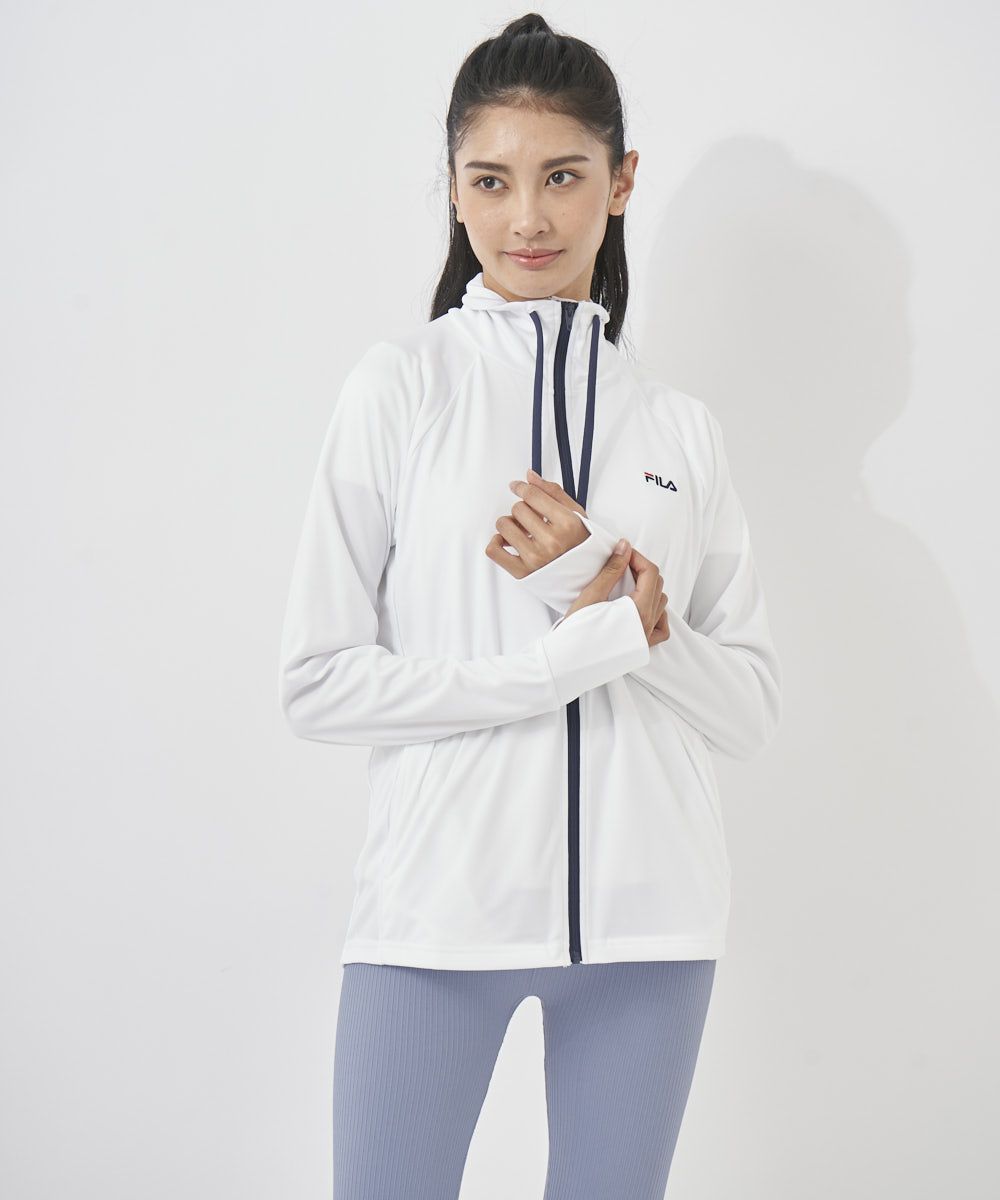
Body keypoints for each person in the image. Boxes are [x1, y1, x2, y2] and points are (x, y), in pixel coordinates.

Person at [278, 12, 782, 1199]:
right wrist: (564, 658)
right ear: (454, 191)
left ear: (621, 182)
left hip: (653, 924)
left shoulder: (680, 428)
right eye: (490, 181)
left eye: (562, 176)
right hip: (434, 915)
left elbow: (749, 710)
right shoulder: (402, 388)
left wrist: (599, 589)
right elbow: (316, 683)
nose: (527, 219)